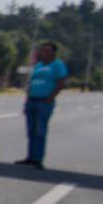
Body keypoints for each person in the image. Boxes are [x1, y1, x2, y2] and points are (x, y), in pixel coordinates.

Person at [17, 40, 69, 169]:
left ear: (53, 53)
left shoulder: (57, 65)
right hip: (33, 100)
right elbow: (32, 82)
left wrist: (50, 97)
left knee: (40, 131)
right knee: (31, 131)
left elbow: (61, 82)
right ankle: (30, 156)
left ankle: (38, 159)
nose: (44, 53)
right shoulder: (38, 65)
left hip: (44, 101)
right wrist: (27, 101)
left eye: (47, 50)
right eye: (43, 50)